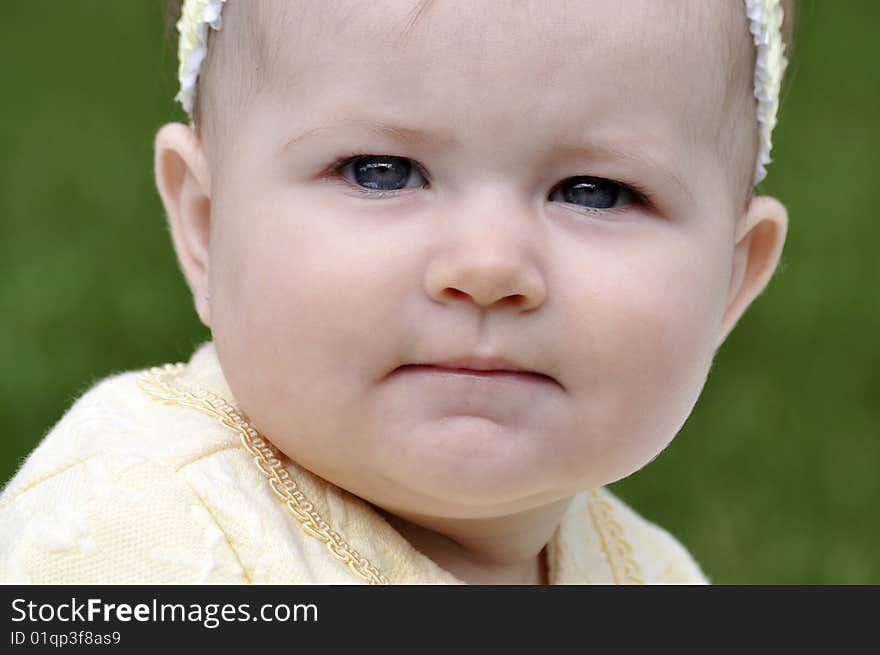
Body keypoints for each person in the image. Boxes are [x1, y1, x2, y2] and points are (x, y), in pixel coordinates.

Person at [0, 0, 795, 584]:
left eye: (593, 191)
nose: (489, 267)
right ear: (208, 226)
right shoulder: (132, 535)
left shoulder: (654, 577)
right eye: (381, 172)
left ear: (731, 280)